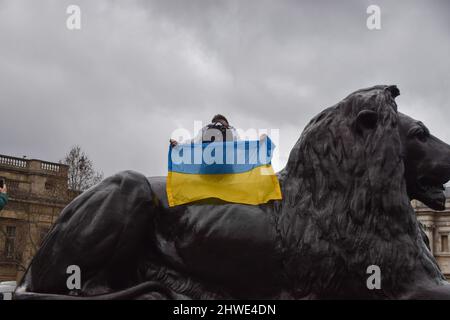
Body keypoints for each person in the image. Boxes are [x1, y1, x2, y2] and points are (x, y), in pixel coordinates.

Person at [170, 114, 240, 147]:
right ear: (226, 123)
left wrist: (178, 144)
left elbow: (193, 141)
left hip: (207, 169)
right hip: (227, 168)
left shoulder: (206, 129)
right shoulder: (232, 129)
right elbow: (241, 145)